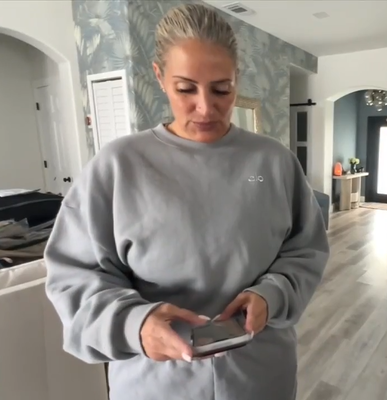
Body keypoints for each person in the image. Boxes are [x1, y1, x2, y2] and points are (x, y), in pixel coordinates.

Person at [44, 3, 330, 400]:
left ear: (237, 78)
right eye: (185, 89)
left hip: (260, 377)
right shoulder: (117, 167)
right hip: (155, 384)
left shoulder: (273, 162)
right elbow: (74, 277)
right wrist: (135, 324)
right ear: (159, 77)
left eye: (222, 89)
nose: (205, 107)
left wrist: (273, 294)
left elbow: (305, 249)